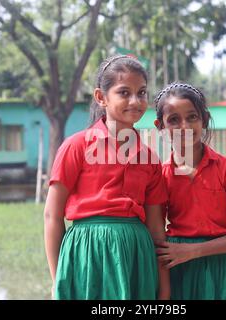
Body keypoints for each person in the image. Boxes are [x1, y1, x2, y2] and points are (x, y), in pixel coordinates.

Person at [44, 55, 170, 300]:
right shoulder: (76, 146)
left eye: (142, 93)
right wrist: (57, 278)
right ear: (101, 97)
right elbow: (52, 215)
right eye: (124, 92)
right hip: (86, 254)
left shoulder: (150, 158)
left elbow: (156, 229)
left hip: (137, 256)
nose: (135, 101)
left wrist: (163, 288)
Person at [153, 82, 226, 300]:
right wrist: (164, 290)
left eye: (192, 117)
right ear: (160, 126)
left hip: (222, 270)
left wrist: (192, 251)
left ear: (205, 120)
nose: (184, 126)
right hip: (178, 270)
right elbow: (157, 238)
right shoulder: (160, 176)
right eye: (173, 120)